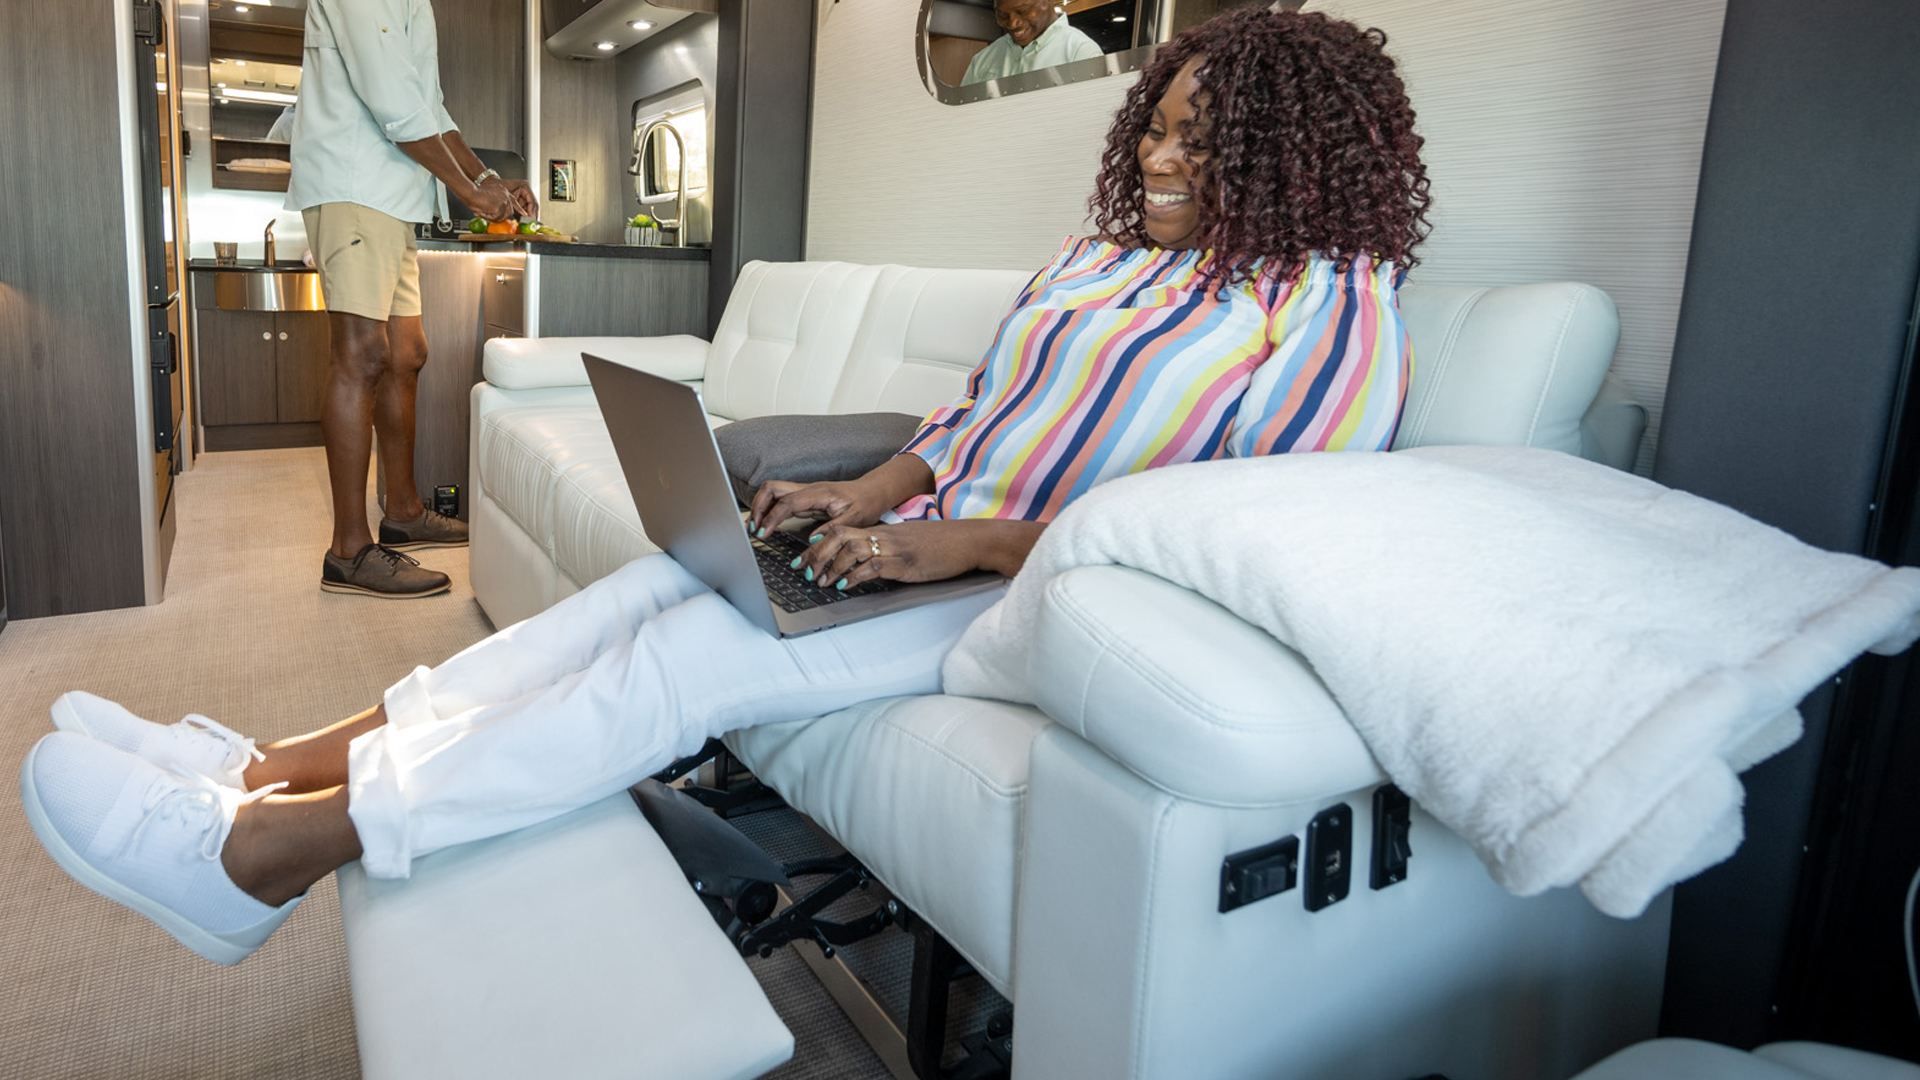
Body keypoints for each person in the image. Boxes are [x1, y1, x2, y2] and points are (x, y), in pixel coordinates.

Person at [20, 8, 1432, 964]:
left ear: (1295, 155)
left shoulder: (1331, 313)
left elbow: (1231, 527)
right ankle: (263, 767)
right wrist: (871, 493)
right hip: (926, 543)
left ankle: (261, 860)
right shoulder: (1106, 262)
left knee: (678, 663)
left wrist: (972, 548)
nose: (1165, 157)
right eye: (1161, 129)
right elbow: (977, 408)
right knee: (620, 606)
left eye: (1202, 138)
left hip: (1037, 597)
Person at [287, 0, 538, 599]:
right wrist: (467, 193)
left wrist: (485, 179)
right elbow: (391, 100)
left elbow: (432, 108)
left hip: (394, 199)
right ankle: (347, 551)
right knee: (363, 356)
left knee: (407, 352)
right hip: (354, 185)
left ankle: (402, 512)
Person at [961, 0, 1104, 85]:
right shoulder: (981, 60)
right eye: (1002, 15)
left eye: (1022, 11)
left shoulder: (1082, 53)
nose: (1012, 23)